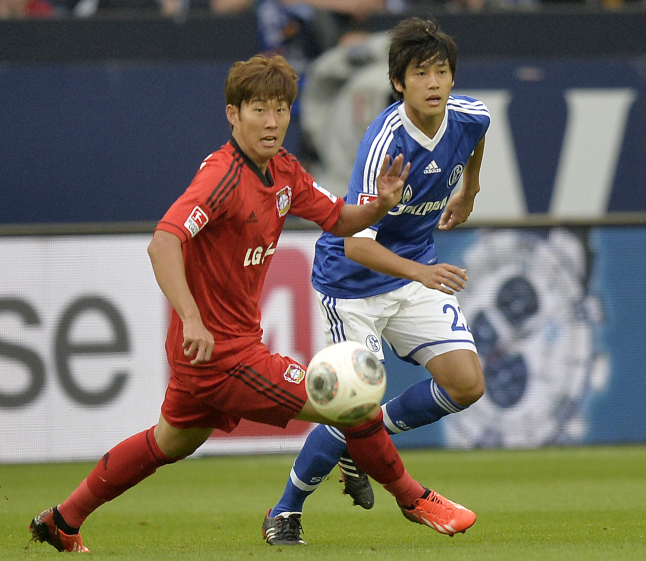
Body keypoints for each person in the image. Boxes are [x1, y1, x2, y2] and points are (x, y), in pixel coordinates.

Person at [27, 53, 471, 554]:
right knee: (349, 399)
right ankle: (415, 500)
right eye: (259, 109)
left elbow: (338, 220)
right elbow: (163, 242)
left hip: (211, 353)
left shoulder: (282, 170)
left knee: (167, 442)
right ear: (232, 114)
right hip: (223, 354)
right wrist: (192, 318)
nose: (272, 121)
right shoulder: (221, 178)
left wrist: (377, 205)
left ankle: (63, 519)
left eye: (281, 109)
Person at [264, 17, 489, 544]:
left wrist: (470, 191)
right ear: (398, 82)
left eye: (441, 72)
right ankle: (286, 510)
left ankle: (358, 442)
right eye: (420, 73)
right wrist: (424, 272)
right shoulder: (385, 141)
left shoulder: (469, 117)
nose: (433, 83)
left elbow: (477, 140)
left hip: (412, 272)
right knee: (353, 402)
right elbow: (354, 241)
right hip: (353, 284)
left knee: (467, 384)